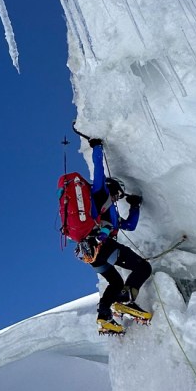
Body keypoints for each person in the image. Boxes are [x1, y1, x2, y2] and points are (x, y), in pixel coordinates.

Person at [74, 138, 152, 334]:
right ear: (114, 188)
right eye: (120, 193)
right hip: (103, 246)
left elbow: (130, 225)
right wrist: (97, 147)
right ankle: (124, 301)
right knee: (143, 267)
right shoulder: (100, 193)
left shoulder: (110, 214)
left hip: (92, 254)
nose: (119, 197)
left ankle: (103, 315)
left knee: (116, 282)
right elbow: (98, 171)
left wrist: (135, 206)